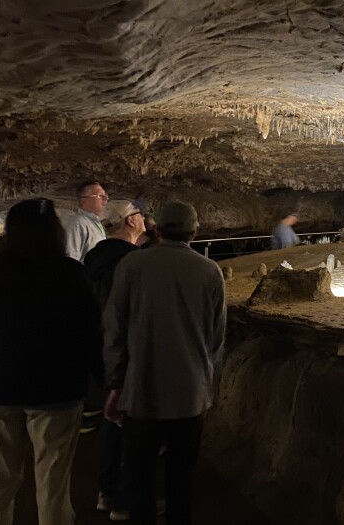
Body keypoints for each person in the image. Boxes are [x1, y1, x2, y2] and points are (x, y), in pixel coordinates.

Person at [0, 198, 101, 525]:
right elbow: (89, 332)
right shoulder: (72, 274)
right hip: (55, 391)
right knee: (52, 484)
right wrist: (100, 379)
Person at [103, 201, 226, 525]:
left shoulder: (132, 266)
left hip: (141, 389)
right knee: (180, 478)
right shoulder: (209, 271)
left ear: (157, 230)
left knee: (140, 475)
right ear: (194, 232)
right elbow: (216, 336)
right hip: (190, 392)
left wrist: (116, 384)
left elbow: (114, 330)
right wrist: (206, 382)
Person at [84, 199, 146, 520]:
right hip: (128, 349)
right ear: (130, 221)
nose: (145, 217)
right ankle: (126, 501)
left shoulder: (93, 256)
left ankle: (107, 491)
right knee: (133, 421)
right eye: (139, 213)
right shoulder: (135, 262)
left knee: (111, 419)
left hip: (100, 347)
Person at [64, 179, 109, 262]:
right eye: (99, 196)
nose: (105, 199)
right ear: (83, 199)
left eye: (105, 195)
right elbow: (71, 258)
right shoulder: (78, 223)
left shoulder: (95, 222)